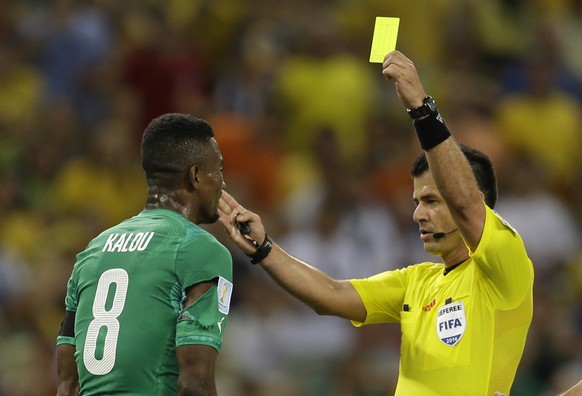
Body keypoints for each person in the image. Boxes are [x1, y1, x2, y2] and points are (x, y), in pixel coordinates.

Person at [218, 50, 534, 395]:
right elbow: (331, 295)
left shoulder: (504, 263)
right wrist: (264, 249)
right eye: (417, 202)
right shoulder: (416, 281)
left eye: (431, 201)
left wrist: (421, 109)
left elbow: (464, 201)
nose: (418, 214)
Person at [56, 113, 233, 396]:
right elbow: (194, 383)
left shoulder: (94, 250)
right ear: (196, 176)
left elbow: (67, 386)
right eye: (219, 169)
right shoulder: (202, 250)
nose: (222, 183)